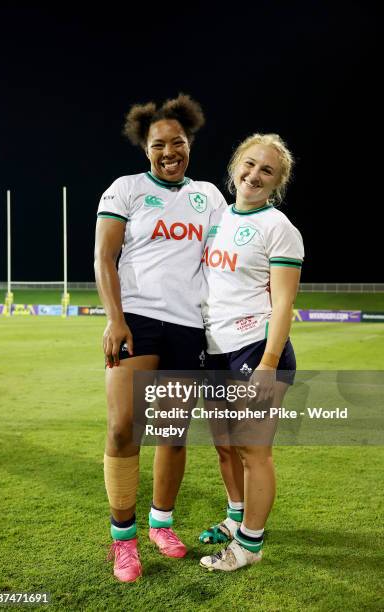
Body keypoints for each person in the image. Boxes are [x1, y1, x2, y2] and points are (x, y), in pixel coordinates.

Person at [94, 94, 227, 582]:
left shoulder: (209, 196)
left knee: (172, 433)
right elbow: (104, 258)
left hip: (188, 325)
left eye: (178, 142)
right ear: (145, 148)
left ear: (189, 144)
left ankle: (161, 525)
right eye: (158, 144)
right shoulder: (125, 189)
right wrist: (115, 320)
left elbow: (220, 264)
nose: (169, 151)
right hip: (136, 320)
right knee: (123, 428)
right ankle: (123, 541)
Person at [198, 133, 304, 572]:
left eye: (267, 170)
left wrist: (267, 365)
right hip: (213, 350)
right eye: (249, 164)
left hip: (256, 350)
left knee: (253, 452)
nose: (254, 175)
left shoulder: (279, 228)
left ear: (277, 182)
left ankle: (249, 546)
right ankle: (235, 517)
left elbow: (284, 304)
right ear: (234, 166)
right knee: (224, 446)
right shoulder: (216, 219)